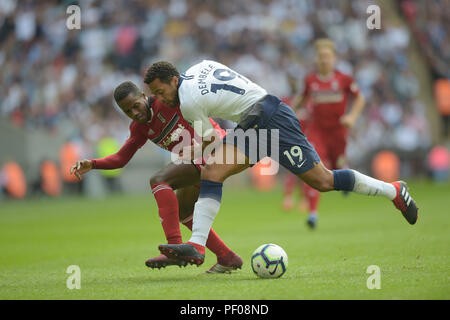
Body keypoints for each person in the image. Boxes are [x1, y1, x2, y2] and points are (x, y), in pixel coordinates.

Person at [143, 59, 419, 266]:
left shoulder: (188, 102)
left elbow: (210, 137)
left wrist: (186, 152)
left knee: (323, 181)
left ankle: (393, 190)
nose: (162, 98)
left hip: (273, 118)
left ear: (174, 80)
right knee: (213, 171)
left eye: (162, 91)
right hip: (252, 120)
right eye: (155, 94)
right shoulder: (201, 64)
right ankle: (198, 247)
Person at [70, 81, 242, 273]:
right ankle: (227, 257)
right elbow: (120, 159)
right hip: (196, 158)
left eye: (136, 105)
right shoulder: (139, 127)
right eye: (128, 111)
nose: (134, 113)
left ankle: (174, 248)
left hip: (211, 148)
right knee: (184, 212)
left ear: (144, 96)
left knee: (159, 180)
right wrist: (93, 163)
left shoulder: (166, 100)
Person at [284, 38, 366, 229]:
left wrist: (352, 117)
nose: (324, 60)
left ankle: (343, 168)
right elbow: (301, 98)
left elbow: (360, 97)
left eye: (327, 57)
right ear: (317, 59)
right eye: (321, 57)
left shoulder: (344, 79)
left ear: (334, 58)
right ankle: (312, 212)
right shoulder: (310, 80)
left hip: (338, 131)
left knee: (338, 161)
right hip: (317, 131)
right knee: (313, 166)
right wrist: (288, 113)